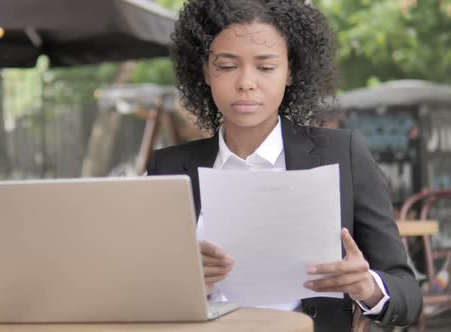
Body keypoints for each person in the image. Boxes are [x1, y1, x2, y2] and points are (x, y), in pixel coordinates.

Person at [146, 1, 422, 331]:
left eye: (265, 67)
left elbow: (408, 295)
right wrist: (187, 286)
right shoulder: (168, 168)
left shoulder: (341, 154)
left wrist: (367, 286)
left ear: (290, 72)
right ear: (205, 71)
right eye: (227, 66)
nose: (246, 82)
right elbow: (136, 292)